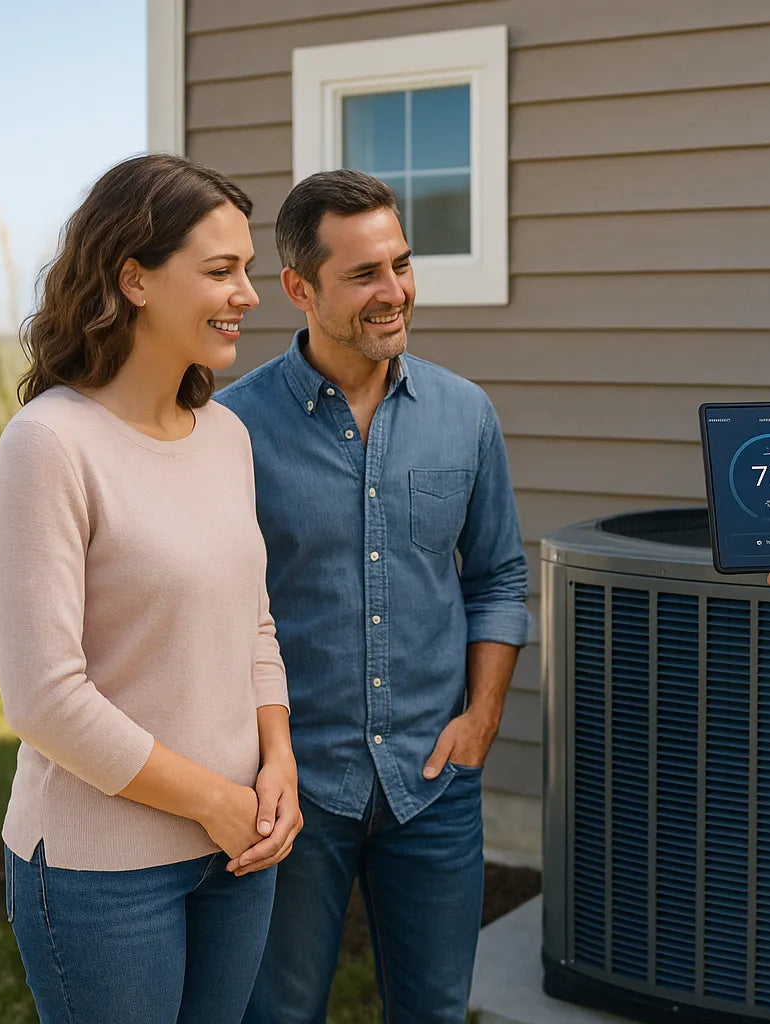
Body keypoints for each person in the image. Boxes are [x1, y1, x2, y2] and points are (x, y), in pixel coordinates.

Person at [0, 153, 303, 1024]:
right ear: (134, 278)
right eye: (219, 271)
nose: (248, 293)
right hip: (103, 876)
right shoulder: (49, 445)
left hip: (239, 851)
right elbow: (45, 699)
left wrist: (278, 764)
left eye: (246, 268)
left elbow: (254, 627)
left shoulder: (225, 435)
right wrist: (219, 801)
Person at [218, 169, 530, 1024]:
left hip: (433, 780)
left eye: (400, 263)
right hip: (291, 789)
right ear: (297, 289)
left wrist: (484, 716)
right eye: (363, 274)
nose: (394, 292)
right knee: (277, 1014)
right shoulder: (229, 430)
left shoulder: (465, 415)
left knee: (432, 1010)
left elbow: (499, 574)